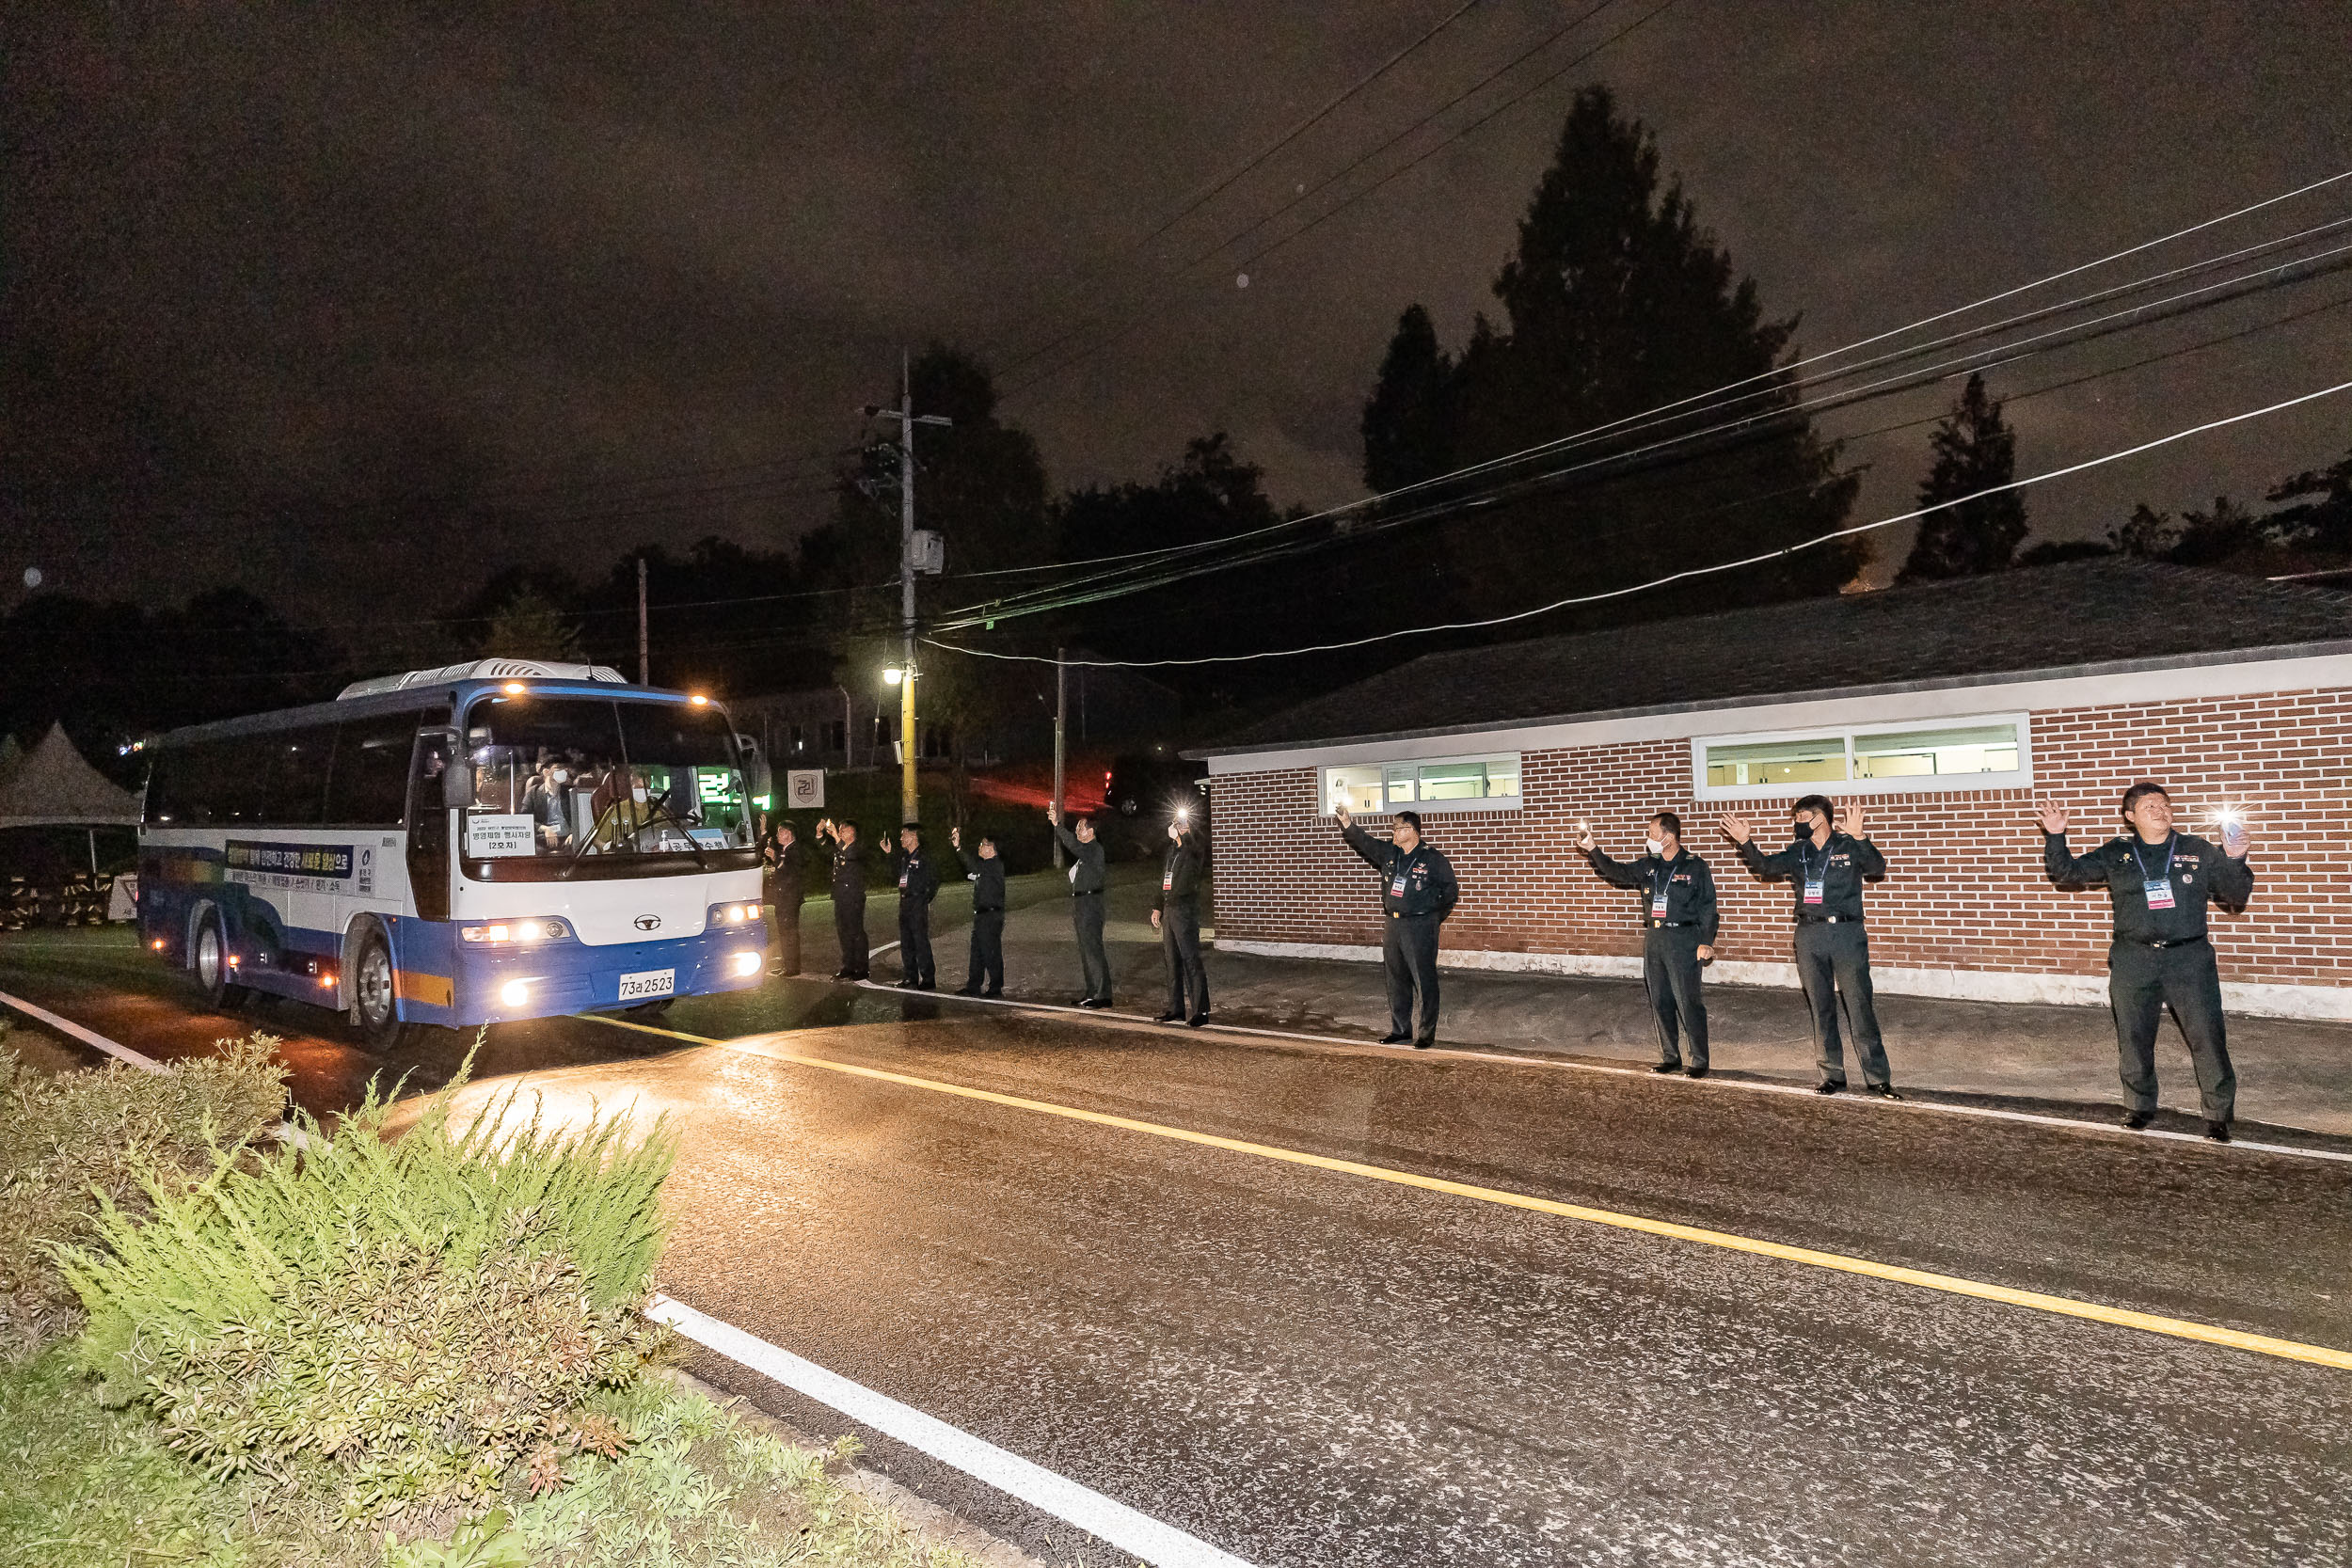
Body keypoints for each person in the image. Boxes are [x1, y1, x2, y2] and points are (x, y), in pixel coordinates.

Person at [2039, 783, 2253, 1141]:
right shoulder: (2117, 853)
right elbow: (2067, 875)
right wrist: (2056, 836)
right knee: (2135, 1036)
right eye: (2149, 805)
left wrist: (2234, 858)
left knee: (2207, 1037)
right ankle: (2139, 1106)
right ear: (2130, 816)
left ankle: (2218, 1113)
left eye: (2165, 804)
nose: (2160, 810)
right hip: (2133, 958)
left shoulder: (2196, 849)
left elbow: (2235, 895)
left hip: (2189, 959)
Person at [1720, 795, 1899, 1098]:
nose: (1797, 823)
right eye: (1796, 818)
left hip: (1846, 933)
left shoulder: (1847, 845)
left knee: (1859, 1006)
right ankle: (1832, 1075)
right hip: (1809, 934)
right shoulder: (1798, 851)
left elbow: (1877, 867)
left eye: (1802, 817)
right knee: (1821, 1006)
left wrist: (1860, 836)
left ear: (1820, 817)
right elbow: (1766, 868)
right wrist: (1745, 842)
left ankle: (1878, 1077)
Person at [1577, 811, 1719, 1077]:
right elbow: (1617, 872)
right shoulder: (1649, 864)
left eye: (1652, 834)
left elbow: (1709, 907)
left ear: (1669, 836)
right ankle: (1670, 1056)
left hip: (1684, 940)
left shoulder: (1695, 866)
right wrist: (1593, 849)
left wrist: (1706, 942)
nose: (1649, 838)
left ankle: (1699, 1060)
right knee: (1661, 1000)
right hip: (1655, 939)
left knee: (1688, 1002)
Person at [1336, 802, 1458, 1048]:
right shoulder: (1390, 853)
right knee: (1396, 979)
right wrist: (1347, 823)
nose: (1392, 832)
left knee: (1424, 980)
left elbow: (1450, 891)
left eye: (1397, 828)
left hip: (1421, 925)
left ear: (1411, 830)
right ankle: (1401, 1030)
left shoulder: (1432, 858)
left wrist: (1433, 918)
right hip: (1394, 925)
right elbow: (1365, 842)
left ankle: (1425, 1034)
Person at [1048, 804, 1112, 1006]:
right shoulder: (1085, 855)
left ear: (1091, 831)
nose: (1077, 831)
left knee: (1093, 949)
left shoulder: (1094, 850)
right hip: (1082, 904)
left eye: (1080, 828)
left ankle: (1103, 995)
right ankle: (1092, 991)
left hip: (1091, 904)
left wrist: (1058, 826)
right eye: (1076, 828)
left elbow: (1074, 846)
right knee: (1086, 950)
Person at [1151, 813, 1210, 1026]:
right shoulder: (1172, 851)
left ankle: (1201, 1011)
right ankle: (1176, 1008)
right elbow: (1163, 879)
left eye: (1181, 823)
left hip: (1185, 911)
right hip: (1170, 909)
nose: (1177, 826)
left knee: (1190, 959)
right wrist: (1157, 906)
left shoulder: (1194, 848)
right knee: (1171, 960)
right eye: (1175, 823)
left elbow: (1193, 848)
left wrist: (1181, 837)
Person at [951, 825, 1006, 997]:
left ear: (992, 848)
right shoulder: (986, 866)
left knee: (991, 952)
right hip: (982, 915)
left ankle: (996, 988)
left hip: (991, 915)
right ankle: (973, 985)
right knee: (977, 952)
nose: (980, 847)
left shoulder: (994, 865)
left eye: (983, 844)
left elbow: (972, 866)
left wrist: (959, 848)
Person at [814, 817, 868, 980]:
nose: (840, 832)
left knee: (856, 932)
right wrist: (820, 835)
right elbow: (826, 852)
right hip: (841, 896)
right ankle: (848, 966)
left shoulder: (857, 848)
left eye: (843, 829)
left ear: (852, 832)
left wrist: (836, 837)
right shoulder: (840, 848)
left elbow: (849, 855)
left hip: (853, 896)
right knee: (843, 931)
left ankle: (862, 968)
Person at [891, 821, 938, 990]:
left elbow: (933, 882)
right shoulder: (904, 857)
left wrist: (924, 899)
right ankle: (910, 977)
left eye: (904, 834)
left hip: (917, 902)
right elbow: (897, 876)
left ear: (913, 836)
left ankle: (928, 978)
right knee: (906, 942)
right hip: (904, 901)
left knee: (920, 941)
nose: (901, 838)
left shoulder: (924, 857)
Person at [762, 817, 804, 976]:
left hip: (790, 898)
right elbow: (782, 868)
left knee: (789, 933)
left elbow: (791, 871)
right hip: (783, 898)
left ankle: (793, 968)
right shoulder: (786, 850)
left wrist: (775, 859)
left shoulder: (795, 850)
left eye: (780, 831)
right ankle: (789, 965)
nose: (778, 834)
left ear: (788, 833)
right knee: (784, 932)